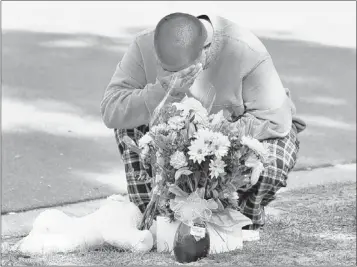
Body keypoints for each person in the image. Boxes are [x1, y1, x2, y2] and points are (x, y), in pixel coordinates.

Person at [101, 12, 306, 230]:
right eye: (165, 69)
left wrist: (214, 135)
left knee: (273, 157)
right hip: (173, 139)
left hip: (228, 138)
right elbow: (112, 108)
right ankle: (156, 218)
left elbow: (275, 120)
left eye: (181, 71)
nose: (174, 76)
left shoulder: (246, 50)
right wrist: (165, 91)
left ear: (205, 51)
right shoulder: (143, 45)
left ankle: (243, 218)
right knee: (129, 125)